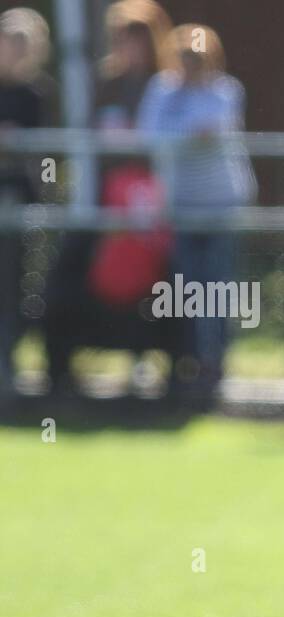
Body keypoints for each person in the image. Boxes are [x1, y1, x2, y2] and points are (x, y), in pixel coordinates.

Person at [43, 0, 176, 396]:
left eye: (135, 39)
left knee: (165, 284)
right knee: (67, 280)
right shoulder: (105, 84)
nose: (127, 47)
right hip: (106, 207)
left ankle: (173, 370)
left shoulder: (166, 85)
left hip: (156, 211)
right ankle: (59, 374)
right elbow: (90, 141)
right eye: (120, 38)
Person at [138, 23, 256, 404]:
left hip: (222, 203)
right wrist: (188, 136)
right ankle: (187, 361)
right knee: (186, 287)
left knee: (217, 286)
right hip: (180, 204)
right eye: (185, 57)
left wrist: (184, 136)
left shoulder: (225, 91)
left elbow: (215, 129)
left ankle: (214, 362)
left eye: (199, 58)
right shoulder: (162, 90)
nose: (191, 65)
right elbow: (152, 136)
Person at [0, 7, 54, 400]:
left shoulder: (37, 94)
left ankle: (8, 365)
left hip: (18, 205)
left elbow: (45, 160)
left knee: (12, 288)